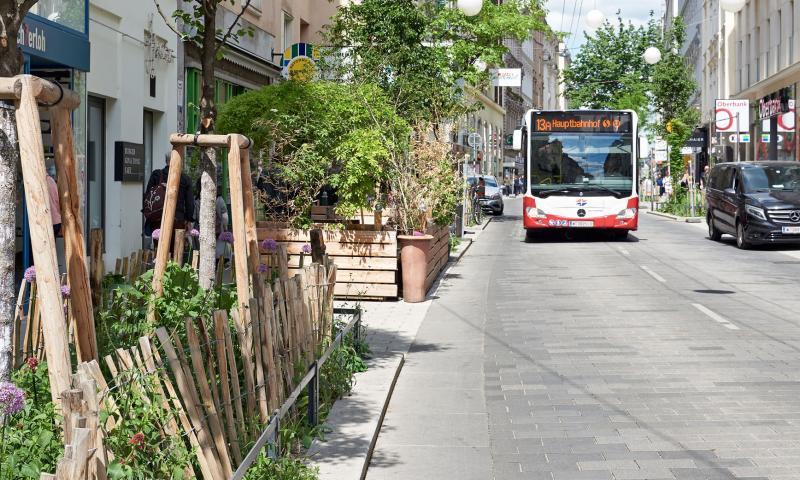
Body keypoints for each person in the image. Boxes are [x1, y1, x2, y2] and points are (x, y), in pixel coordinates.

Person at [144, 152, 194, 239]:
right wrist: (188, 220)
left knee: (159, 247)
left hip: (158, 218)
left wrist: (148, 214)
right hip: (178, 219)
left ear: (166, 160)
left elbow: (147, 196)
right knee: (176, 248)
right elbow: (190, 203)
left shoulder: (156, 175)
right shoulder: (185, 179)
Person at [46, 167, 62, 236]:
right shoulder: (51, 182)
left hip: (50, 220)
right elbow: (57, 200)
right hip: (55, 220)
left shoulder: (45, 181)